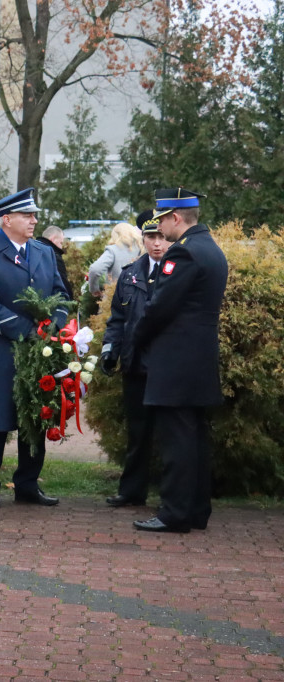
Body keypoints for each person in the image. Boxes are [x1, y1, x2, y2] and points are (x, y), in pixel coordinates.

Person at [131, 188, 227, 533]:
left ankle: (174, 512)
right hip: (198, 358)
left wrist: (135, 339)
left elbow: (159, 307)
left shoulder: (184, 254)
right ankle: (196, 509)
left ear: (175, 218)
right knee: (195, 438)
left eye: (161, 220)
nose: (159, 228)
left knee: (177, 441)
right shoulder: (210, 249)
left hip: (177, 359)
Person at [0, 187, 69, 509]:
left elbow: (60, 294)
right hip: (3, 350)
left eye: (34, 215)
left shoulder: (44, 252)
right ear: (6, 219)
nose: (34, 220)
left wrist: (53, 325)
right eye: (27, 215)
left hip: (41, 351)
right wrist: (28, 330)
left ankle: (27, 484)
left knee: (36, 414)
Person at [100, 210, 167, 508]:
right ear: (143, 238)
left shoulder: (178, 271)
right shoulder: (130, 273)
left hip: (167, 367)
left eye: (162, 237)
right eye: (151, 237)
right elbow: (117, 319)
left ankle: (170, 496)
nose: (157, 243)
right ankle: (132, 491)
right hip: (135, 364)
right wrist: (109, 351)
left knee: (169, 436)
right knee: (138, 433)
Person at [88, 221, 143, 298]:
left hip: (115, 296)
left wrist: (94, 289)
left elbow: (95, 269)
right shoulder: (143, 249)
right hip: (139, 297)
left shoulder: (113, 250)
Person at [37, 225, 73, 296]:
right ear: (53, 239)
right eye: (61, 243)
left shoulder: (33, 251)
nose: (61, 247)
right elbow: (63, 283)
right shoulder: (54, 257)